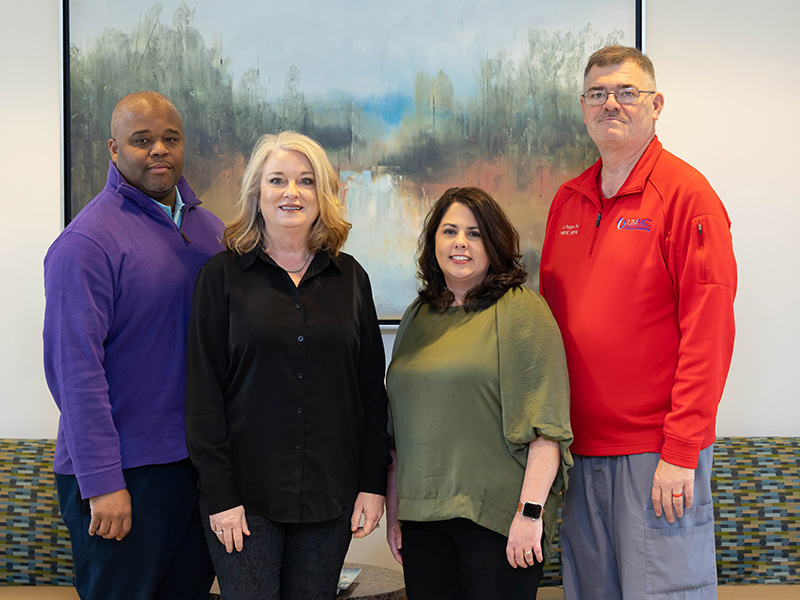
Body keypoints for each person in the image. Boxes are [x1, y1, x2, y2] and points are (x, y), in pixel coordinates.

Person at [539, 46, 737, 600]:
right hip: (579, 455)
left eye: (627, 92)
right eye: (598, 94)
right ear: (583, 107)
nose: (612, 104)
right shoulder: (567, 202)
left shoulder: (687, 196)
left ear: (656, 105)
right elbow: (549, 328)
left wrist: (680, 451)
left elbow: (710, 333)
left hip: (658, 456)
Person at [185, 131, 390, 599]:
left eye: (305, 181)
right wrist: (220, 496)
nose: (292, 193)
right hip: (243, 500)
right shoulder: (220, 278)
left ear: (324, 195)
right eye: (277, 180)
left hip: (330, 498)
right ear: (257, 193)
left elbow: (370, 394)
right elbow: (203, 397)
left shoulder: (351, 278)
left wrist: (372, 484)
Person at [43, 91, 223, 599]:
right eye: (142, 140)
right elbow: (74, 371)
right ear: (114, 149)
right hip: (122, 475)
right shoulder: (85, 244)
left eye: (170, 138)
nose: (158, 149)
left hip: (194, 471)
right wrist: (102, 482)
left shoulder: (212, 234)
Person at [385, 187, 573, 600]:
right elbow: (398, 430)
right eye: (449, 231)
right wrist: (395, 511)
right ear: (433, 241)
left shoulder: (522, 309)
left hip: (500, 521)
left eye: (474, 233)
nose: (460, 243)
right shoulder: (418, 315)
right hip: (422, 518)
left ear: (494, 243)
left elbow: (549, 429)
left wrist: (529, 514)